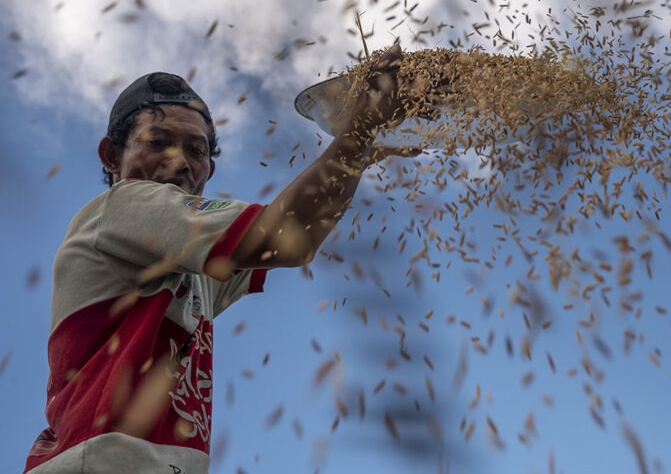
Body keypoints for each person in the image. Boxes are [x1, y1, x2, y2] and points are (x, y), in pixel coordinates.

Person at [25, 45, 416, 473]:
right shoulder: (124, 206)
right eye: (158, 142)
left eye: (196, 150)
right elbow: (285, 238)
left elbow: (295, 236)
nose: (180, 162)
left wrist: (354, 151)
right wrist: (356, 132)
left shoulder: (185, 264)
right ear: (112, 156)